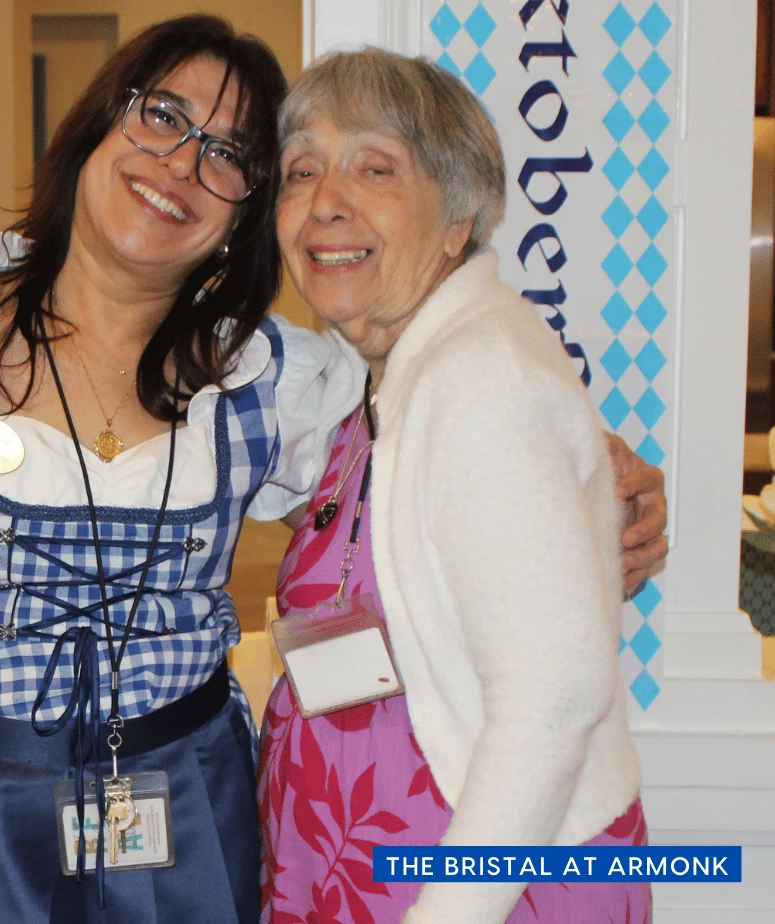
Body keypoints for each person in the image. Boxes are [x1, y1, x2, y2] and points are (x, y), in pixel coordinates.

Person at [0, 15, 664, 924]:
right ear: (97, 123)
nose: (180, 165)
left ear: (247, 211)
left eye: (229, 155)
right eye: (162, 116)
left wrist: (603, 477)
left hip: (184, 815)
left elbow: (435, 431)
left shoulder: (274, 384)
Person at [260, 48, 654, 924]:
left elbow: (555, 698)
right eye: (302, 169)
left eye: (374, 166)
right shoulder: (404, 371)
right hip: (385, 860)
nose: (327, 200)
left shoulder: (480, 380)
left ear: (458, 216)